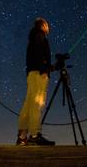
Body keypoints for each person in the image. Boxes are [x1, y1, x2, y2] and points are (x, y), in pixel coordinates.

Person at [16, 18, 55, 146]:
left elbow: (36, 55)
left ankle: (22, 137)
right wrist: (44, 69)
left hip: (33, 73)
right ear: (43, 26)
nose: (48, 27)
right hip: (38, 73)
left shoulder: (34, 37)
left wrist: (50, 67)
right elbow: (39, 54)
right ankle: (34, 135)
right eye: (47, 25)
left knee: (28, 104)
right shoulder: (40, 36)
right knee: (37, 103)